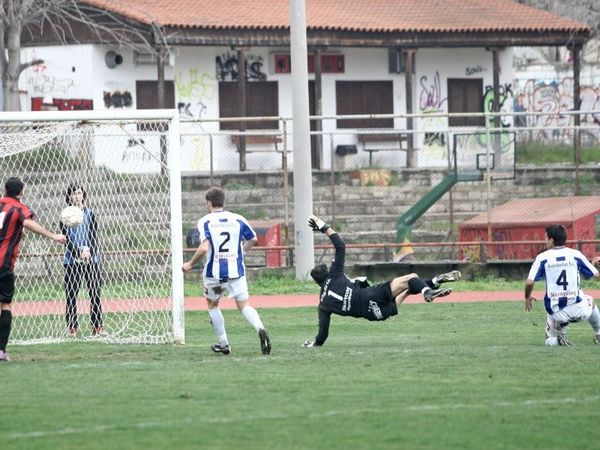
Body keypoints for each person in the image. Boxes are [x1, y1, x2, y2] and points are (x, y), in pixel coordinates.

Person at [302, 214, 460, 347]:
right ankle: (428, 290)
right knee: (411, 278)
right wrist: (324, 227)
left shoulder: (323, 305)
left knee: (408, 288)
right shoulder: (334, 275)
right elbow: (341, 246)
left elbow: (323, 334)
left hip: (375, 314)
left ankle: (434, 281)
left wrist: (315, 344)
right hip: (371, 295)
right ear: (327, 274)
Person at [182, 186, 271, 355]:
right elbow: (253, 239)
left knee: (213, 305)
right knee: (244, 305)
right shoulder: (238, 219)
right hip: (236, 272)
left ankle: (224, 344)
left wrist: (190, 263)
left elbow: (204, 247)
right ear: (223, 202)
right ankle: (260, 328)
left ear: (209, 203)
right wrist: (242, 252)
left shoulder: (205, 221)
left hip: (215, 275)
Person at [0, 177, 66, 361]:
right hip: (3, 264)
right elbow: (28, 223)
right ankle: (1, 351)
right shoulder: (19, 208)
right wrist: (53, 236)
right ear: (21, 192)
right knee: (5, 304)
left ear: (4, 190)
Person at [524, 224, 600, 346]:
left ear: (551, 240)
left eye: (546, 238)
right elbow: (595, 275)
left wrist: (527, 296)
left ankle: (558, 340)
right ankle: (599, 333)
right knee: (590, 300)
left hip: (557, 312)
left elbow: (529, 282)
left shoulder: (542, 258)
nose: (545, 240)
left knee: (548, 340)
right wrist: (593, 264)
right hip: (580, 311)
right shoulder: (576, 254)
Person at [61, 183, 103, 336]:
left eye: (79, 193)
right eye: (74, 193)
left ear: (83, 195)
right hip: (72, 261)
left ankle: (97, 326)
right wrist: (78, 252)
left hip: (92, 259)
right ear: (69, 196)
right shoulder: (65, 216)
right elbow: (66, 240)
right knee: (71, 295)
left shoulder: (90, 214)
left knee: (95, 293)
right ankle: (72, 327)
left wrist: (89, 251)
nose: (77, 196)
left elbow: (93, 236)